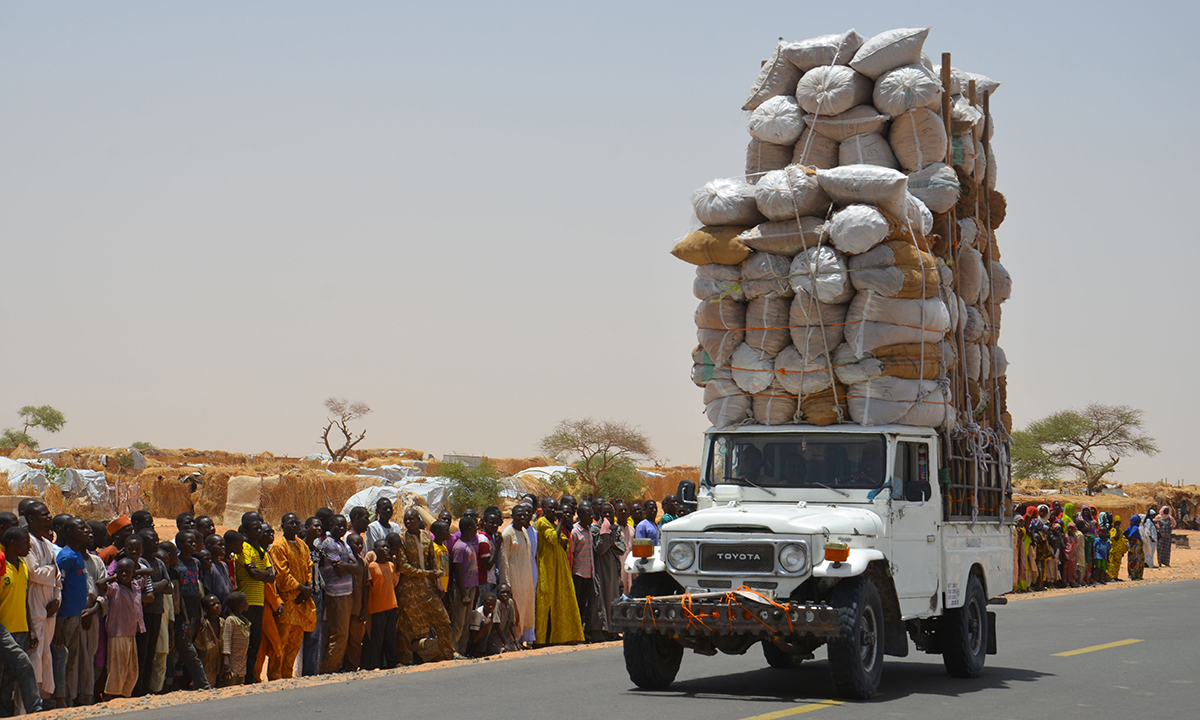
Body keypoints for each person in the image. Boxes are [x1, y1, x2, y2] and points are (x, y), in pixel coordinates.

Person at [393, 510, 455, 665]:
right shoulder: (401, 539)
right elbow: (403, 566)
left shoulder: (427, 536)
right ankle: (406, 660)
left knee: (443, 620)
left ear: (418, 519)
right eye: (405, 520)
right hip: (409, 589)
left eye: (411, 519)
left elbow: (433, 560)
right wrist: (426, 574)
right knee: (406, 626)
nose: (408, 522)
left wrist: (438, 581)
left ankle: (448, 653)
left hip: (428, 587)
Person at [0, 527, 43, 714]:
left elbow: (25, 600)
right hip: (4, 629)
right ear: (12, 544)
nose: (29, 546)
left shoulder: (23, 566)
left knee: (8, 682)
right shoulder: (2, 567)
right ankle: (36, 710)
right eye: (25, 542)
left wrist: (30, 628)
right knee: (22, 664)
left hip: (21, 629)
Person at [268, 513, 314, 680]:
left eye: (296, 523)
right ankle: (275, 677)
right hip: (288, 601)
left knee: (295, 643)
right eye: (290, 523)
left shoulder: (303, 545)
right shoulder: (278, 546)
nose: (294, 526)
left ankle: (287, 677)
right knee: (281, 642)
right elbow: (282, 574)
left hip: (302, 602)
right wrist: (301, 588)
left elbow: (309, 567)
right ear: (282, 525)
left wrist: (308, 588)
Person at [55, 518, 96, 706]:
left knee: (72, 659)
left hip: (76, 615)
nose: (86, 531)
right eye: (81, 528)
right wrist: (55, 622)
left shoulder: (78, 554)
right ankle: (61, 699)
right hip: (65, 616)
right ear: (69, 532)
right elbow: (57, 587)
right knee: (63, 658)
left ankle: (70, 698)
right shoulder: (66, 557)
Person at [533, 498, 583, 646]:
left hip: (559, 568)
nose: (554, 511)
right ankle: (541, 639)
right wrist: (560, 522)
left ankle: (561, 636)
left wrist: (558, 527)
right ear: (543, 508)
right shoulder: (542, 523)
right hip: (546, 567)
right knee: (545, 601)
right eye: (551, 508)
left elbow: (565, 544)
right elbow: (555, 539)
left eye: (556, 509)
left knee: (560, 601)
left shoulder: (554, 524)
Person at [234, 513, 275, 684]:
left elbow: (272, 576)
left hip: (259, 601)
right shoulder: (244, 548)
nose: (259, 531)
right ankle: (241, 677)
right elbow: (254, 573)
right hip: (247, 602)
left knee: (255, 643)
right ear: (245, 530)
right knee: (244, 642)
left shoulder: (262, 551)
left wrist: (263, 574)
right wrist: (264, 574)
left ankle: (251, 677)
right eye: (255, 528)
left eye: (260, 528)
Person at [317, 514, 355, 673]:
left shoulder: (344, 544)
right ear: (330, 525)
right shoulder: (329, 544)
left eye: (343, 526)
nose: (341, 528)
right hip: (336, 593)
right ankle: (328, 669)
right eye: (338, 526)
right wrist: (352, 567)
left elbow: (357, 565)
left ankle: (333, 666)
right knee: (339, 634)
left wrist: (351, 567)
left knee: (343, 634)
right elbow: (341, 570)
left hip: (346, 592)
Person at [104, 558, 146, 699]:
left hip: (131, 633)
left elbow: (149, 572)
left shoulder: (135, 585)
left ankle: (124, 695)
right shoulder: (114, 588)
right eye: (120, 571)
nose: (124, 574)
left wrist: (135, 572)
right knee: (117, 668)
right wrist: (113, 577)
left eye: (127, 571)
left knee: (131, 669)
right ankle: (112, 696)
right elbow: (99, 584)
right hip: (117, 633)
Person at [496, 504, 535, 648]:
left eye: (524, 515)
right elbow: (504, 560)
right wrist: (506, 583)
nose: (522, 517)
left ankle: (520, 640)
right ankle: (513, 641)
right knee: (516, 611)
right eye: (519, 515)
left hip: (525, 579)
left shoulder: (524, 531)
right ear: (513, 516)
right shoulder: (508, 533)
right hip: (514, 579)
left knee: (525, 609)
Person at [364, 540, 398, 670]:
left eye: (387, 547)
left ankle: (392, 662)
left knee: (391, 636)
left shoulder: (391, 565)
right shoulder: (372, 566)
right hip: (377, 607)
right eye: (382, 547)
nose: (385, 549)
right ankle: (375, 664)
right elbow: (368, 587)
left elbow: (394, 583)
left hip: (391, 605)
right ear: (375, 549)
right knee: (377, 638)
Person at [592, 501, 625, 638]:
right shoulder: (595, 529)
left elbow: (621, 548)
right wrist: (606, 534)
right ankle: (602, 630)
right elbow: (600, 549)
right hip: (601, 569)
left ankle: (613, 629)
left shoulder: (616, 529)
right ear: (600, 514)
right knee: (601, 598)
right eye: (604, 513)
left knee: (613, 598)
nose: (607, 515)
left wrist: (610, 540)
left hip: (613, 569)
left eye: (609, 513)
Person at [449, 516, 481, 656]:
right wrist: (464, 594)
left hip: (472, 588)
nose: (476, 529)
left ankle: (463, 651)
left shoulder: (470, 545)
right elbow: (457, 572)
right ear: (468, 529)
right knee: (458, 623)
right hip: (463, 590)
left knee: (467, 623)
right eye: (474, 527)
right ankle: (454, 651)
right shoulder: (459, 547)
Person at [569, 502, 600, 640]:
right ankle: (575, 632)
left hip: (589, 573)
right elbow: (571, 553)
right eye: (588, 515)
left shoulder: (590, 529)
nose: (591, 516)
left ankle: (583, 631)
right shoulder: (575, 531)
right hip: (578, 573)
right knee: (577, 604)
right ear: (580, 515)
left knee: (586, 604)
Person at [341, 533, 370, 672]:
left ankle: (352, 667)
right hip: (345, 606)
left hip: (358, 608)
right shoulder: (345, 562)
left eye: (361, 544)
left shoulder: (363, 562)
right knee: (343, 638)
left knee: (356, 640)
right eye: (355, 544)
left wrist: (365, 607)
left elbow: (365, 586)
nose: (359, 546)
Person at [221, 592, 252, 687]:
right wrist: (226, 664)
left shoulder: (244, 622)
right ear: (240, 605)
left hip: (241, 666)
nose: (248, 603)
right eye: (246, 601)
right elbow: (226, 641)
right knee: (230, 688)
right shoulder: (230, 620)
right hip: (232, 666)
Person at [194, 594, 223, 688]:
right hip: (207, 665)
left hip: (220, 666)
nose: (217, 606)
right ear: (205, 609)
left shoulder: (223, 622)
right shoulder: (203, 626)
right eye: (213, 605)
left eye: (218, 603)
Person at [466, 592, 502, 658]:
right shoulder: (477, 615)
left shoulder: (492, 612)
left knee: (495, 650)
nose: (491, 607)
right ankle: (478, 652)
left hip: (486, 640)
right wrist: (485, 627)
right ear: (483, 603)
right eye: (488, 604)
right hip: (474, 645)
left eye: (493, 605)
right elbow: (473, 640)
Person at [202, 533, 233, 608]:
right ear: (209, 547)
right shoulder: (209, 567)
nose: (223, 547)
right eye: (220, 545)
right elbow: (208, 590)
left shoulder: (224, 565)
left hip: (226, 606)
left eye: (224, 545)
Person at [614, 500, 635, 596]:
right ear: (615, 513)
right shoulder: (613, 529)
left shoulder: (631, 529)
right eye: (620, 510)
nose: (623, 512)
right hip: (619, 564)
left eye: (625, 510)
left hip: (630, 564)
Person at [493, 584, 520, 653]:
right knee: (502, 650)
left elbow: (511, 623)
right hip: (494, 636)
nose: (505, 595)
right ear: (497, 594)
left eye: (507, 592)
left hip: (504, 637)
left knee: (516, 649)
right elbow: (497, 625)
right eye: (502, 592)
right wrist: (505, 643)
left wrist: (516, 639)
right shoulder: (497, 603)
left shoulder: (510, 602)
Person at [1125, 515, 1145, 581]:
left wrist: (1129, 539)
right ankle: (1137, 575)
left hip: (1131, 546)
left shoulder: (1130, 527)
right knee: (1138, 560)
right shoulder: (1136, 528)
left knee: (1131, 560)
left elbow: (1125, 532)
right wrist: (1133, 539)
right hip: (1137, 547)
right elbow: (1131, 535)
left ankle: (1131, 574)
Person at [1107, 516, 1127, 581]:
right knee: (1112, 564)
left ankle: (1115, 576)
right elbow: (1115, 538)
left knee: (1117, 564)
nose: (1117, 524)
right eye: (1116, 523)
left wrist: (1123, 550)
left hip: (1119, 551)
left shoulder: (1121, 531)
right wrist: (1117, 531)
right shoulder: (1113, 530)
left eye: (1119, 523)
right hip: (1113, 550)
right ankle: (1111, 577)